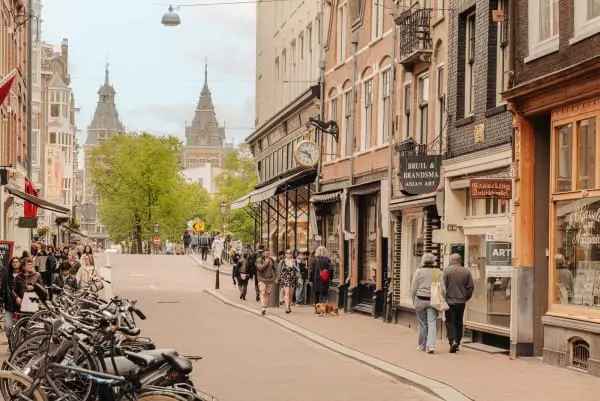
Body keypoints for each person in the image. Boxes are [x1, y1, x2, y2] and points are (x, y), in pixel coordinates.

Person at [411, 253, 445, 354]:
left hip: (420, 300)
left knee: (422, 324)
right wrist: (441, 299)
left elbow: (413, 288)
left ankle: (422, 345)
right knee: (432, 323)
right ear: (433, 261)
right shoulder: (437, 272)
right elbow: (443, 289)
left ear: (423, 261)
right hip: (433, 300)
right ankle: (431, 346)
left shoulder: (418, 272)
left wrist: (414, 301)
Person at [443, 253, 474, 353]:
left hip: (449, 301)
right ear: (460, 261)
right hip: (461, 302)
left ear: (452, 260)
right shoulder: (466, 271)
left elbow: (443, 287)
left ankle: (452, 341)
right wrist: (466, 297)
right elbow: (470, 287)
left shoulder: (447, 271)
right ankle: (458, 342)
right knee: (459, 322)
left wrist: (443, 298)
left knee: (449, 322)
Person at [1, 257, 24, 337]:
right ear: (11, 264)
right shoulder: (7, 275)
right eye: (13, 262)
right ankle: (11, 340)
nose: (15, 263)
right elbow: (3, 288)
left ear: (20, 263)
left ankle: (16, 345)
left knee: (19, 326)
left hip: (20, 304)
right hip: (9, 303)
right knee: (8, 327)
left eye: (17, 262)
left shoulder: (23, 275)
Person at [256, 249, 276, 315]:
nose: (267, 254)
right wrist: (266, 263)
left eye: (268, 253)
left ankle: (265, 307)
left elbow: (275, 268)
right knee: (262, 292)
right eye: (266, 253)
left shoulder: (272, 260)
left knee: (267, 293)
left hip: (270, 280)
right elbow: (260, 268)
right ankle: (263, 307)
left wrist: (275, 277)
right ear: (263, 254)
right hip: (262, 279)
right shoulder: (259, 260)